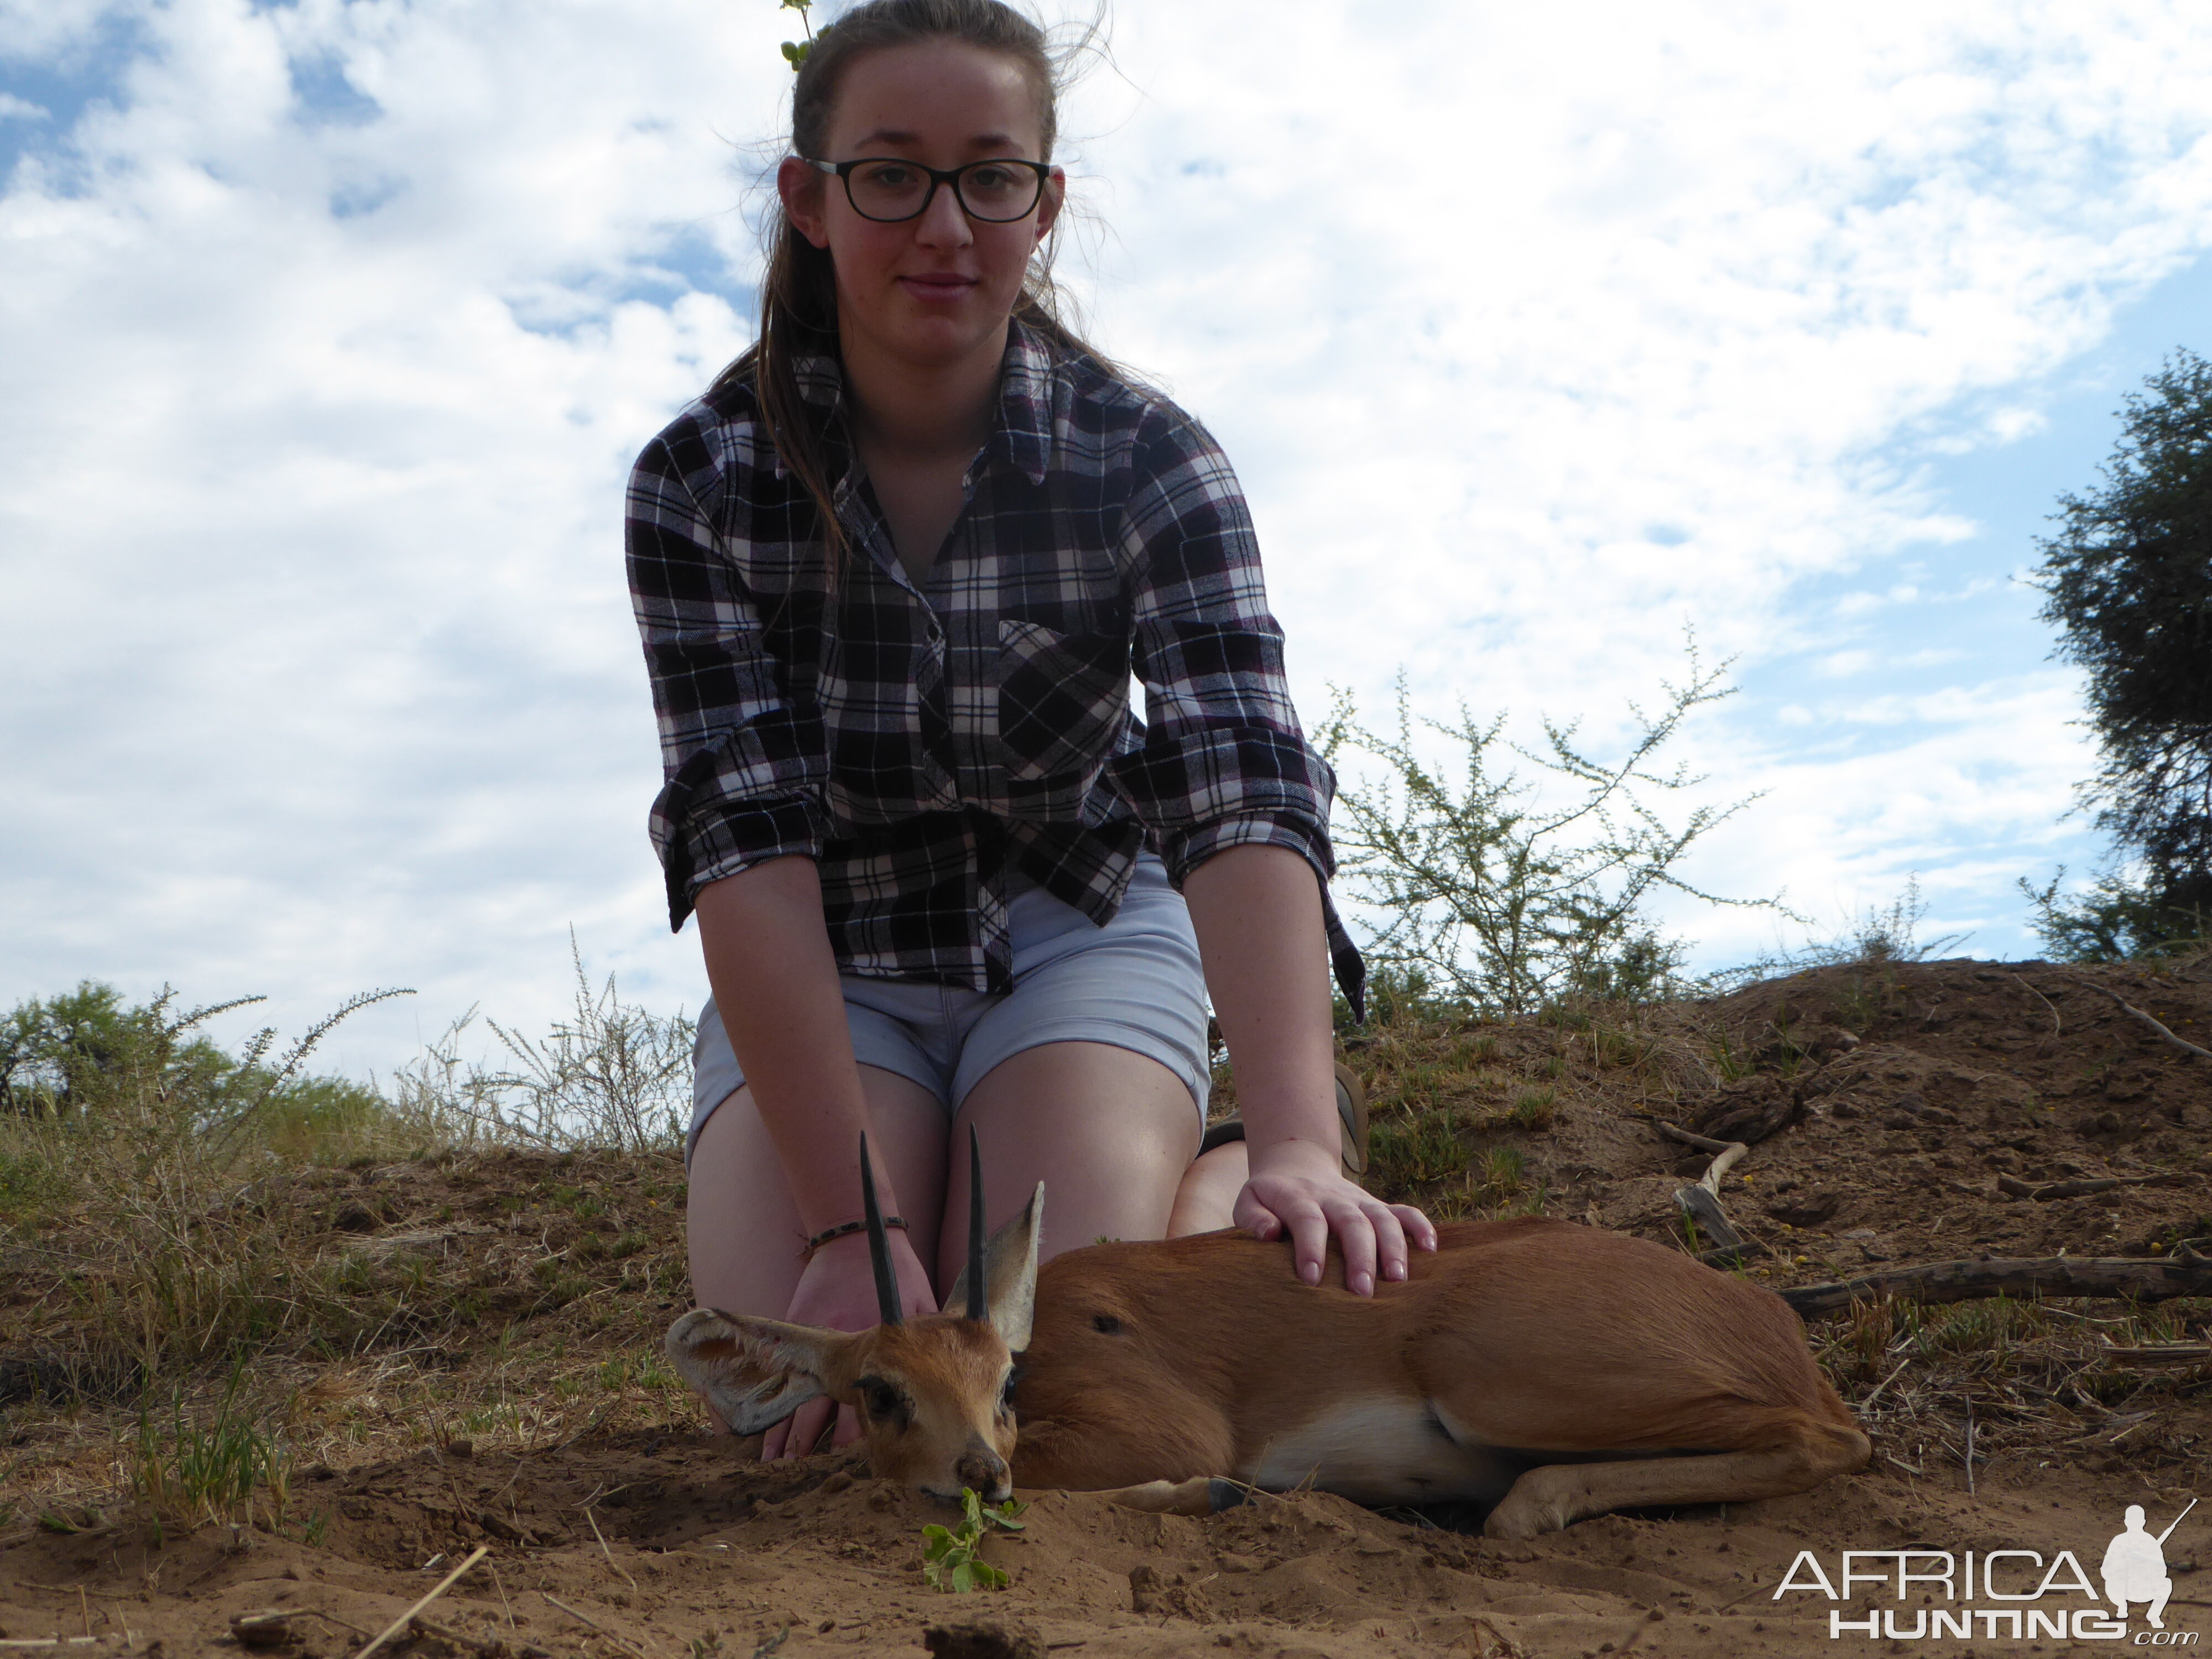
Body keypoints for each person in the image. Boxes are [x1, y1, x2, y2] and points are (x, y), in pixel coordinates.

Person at [626, 0, 1433, 1461]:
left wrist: (1305, 1140)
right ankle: (903, 1187)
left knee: (1043, 1364)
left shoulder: (1151, 455)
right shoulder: (698, 479)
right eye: (892, 172)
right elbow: (742, 844)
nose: (943, 222)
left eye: (989, 176)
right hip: (842, 960)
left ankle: (1230, 1161)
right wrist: (842, 1219)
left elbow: (1239, 777)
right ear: (811, 200)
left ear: (1043, 203)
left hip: (1078, 926)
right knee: (848, 1400)